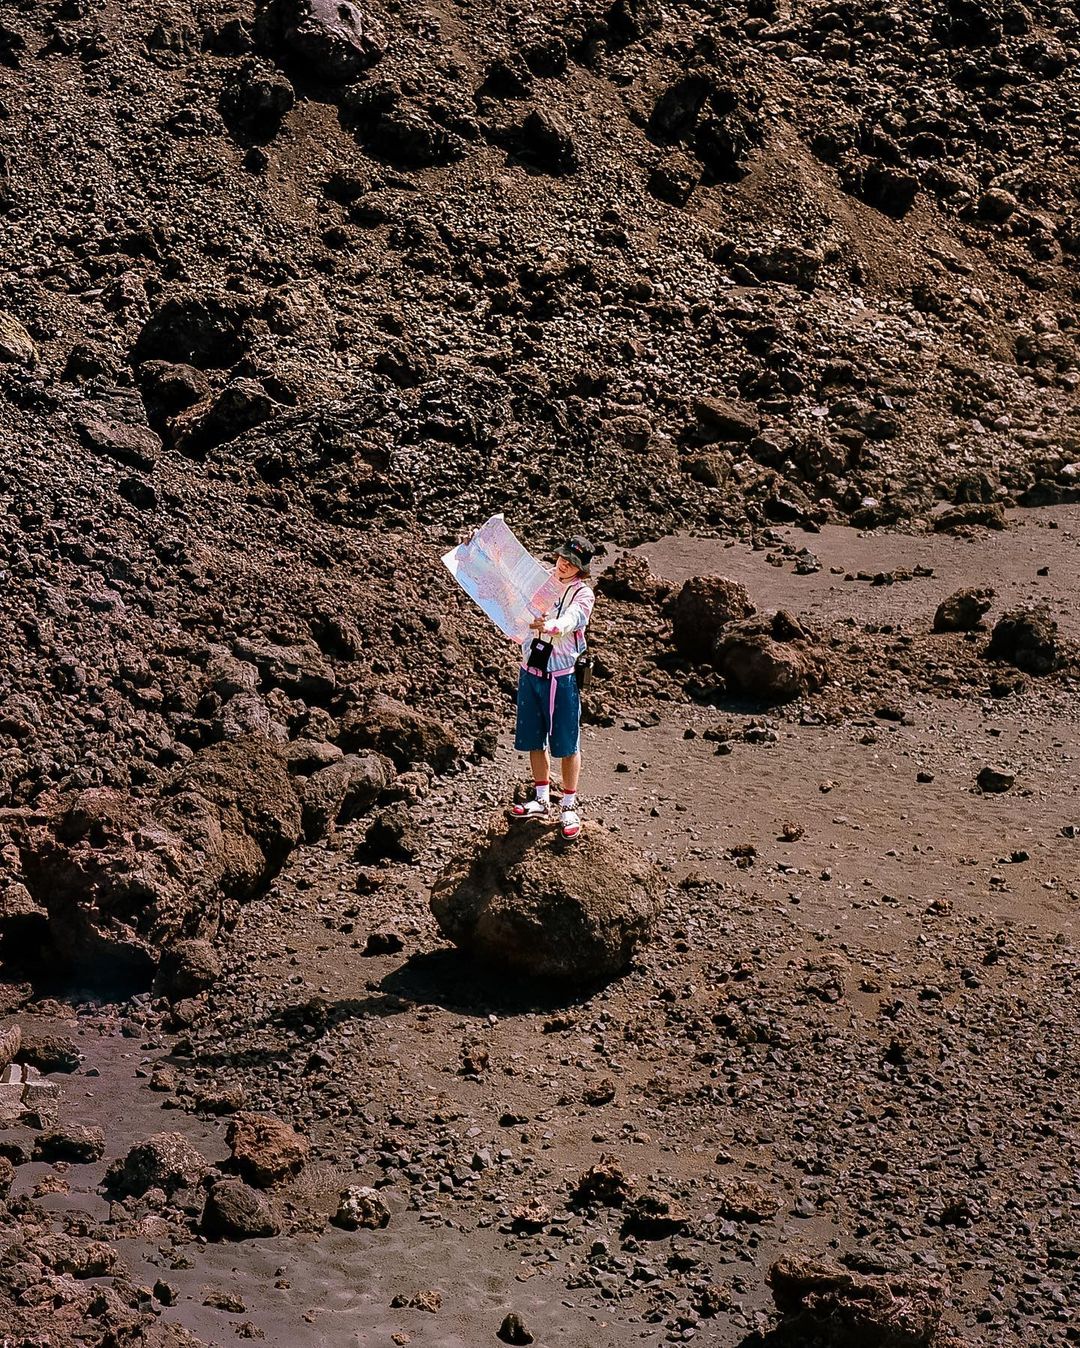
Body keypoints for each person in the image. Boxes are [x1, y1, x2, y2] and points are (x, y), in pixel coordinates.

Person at [511, 534, 596, 840]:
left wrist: (549, 626)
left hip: (561, 676)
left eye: (571, 563)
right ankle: (541, 799)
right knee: (535, 738)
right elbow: (506, 572)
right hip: (530, 670)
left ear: (581, 569)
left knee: (567, 742)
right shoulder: (543, 581)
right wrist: (475, 546)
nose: (563, 565)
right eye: (562, 558)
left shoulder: (583, 594)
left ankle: (569, 805)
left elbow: (573, 619)